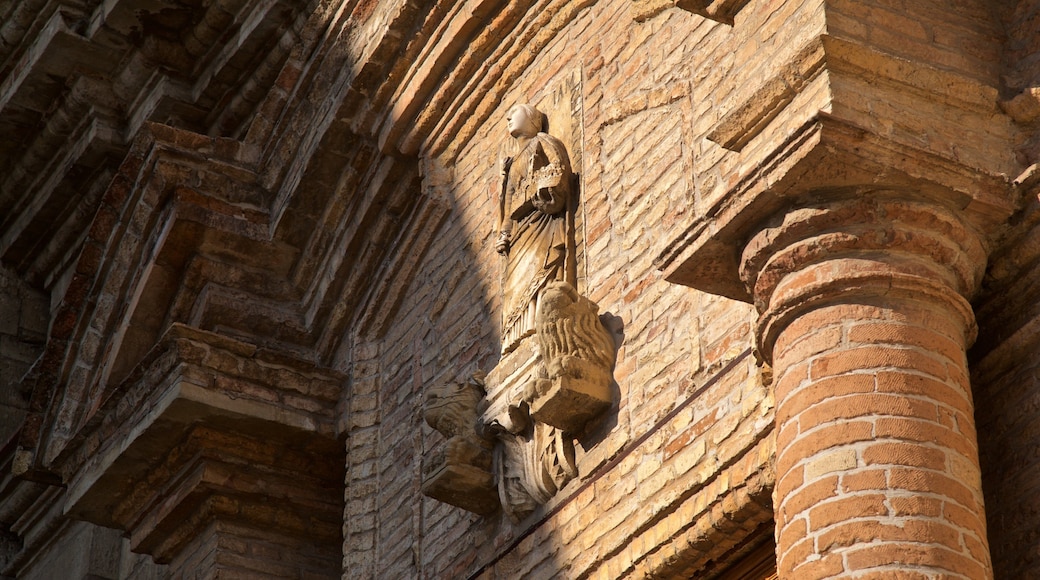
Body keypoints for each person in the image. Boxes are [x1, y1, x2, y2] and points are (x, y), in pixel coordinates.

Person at [496, 104, 575, 354]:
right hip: (521, 231)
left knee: (540, 269)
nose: (508, 116)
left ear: (531, 120)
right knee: (513, 287)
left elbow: (558, 167)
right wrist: (505, 233)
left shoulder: (541, 141)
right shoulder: (511, 164)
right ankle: (518, 337)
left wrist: (544, 189)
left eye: (515, 112)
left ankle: (540, 324)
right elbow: (508, 206)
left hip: (540, 221)